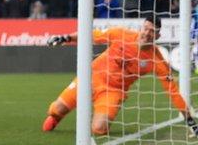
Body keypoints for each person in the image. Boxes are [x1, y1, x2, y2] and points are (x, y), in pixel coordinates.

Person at [44, 16, 198, 136]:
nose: (147, 33)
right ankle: (55, 117)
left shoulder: (157, 60)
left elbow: (173, 91)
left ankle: (101, 114)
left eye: (152, 31)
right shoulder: (121, 34)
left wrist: (189, 120)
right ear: (141, 28)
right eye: (146, 28)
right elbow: (92, 36)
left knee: (99, 128)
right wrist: (66, 38)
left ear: (158, 35)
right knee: (57, 109)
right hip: (92, 77)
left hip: (113, 91)